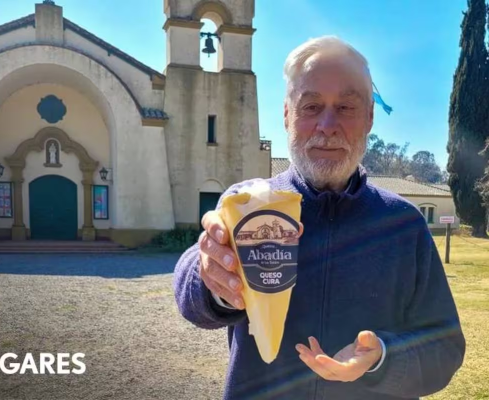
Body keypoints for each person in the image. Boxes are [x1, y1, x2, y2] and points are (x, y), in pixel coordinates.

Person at [173, 35, 465, 400]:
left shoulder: (403, 224)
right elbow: (191, 291)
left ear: (370, 117)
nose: (327, 125)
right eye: (311, 107)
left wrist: (382, 358)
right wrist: (208, 278)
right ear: (286, 115)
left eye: (346, 107)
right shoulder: (247, 205)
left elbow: (445, 349)